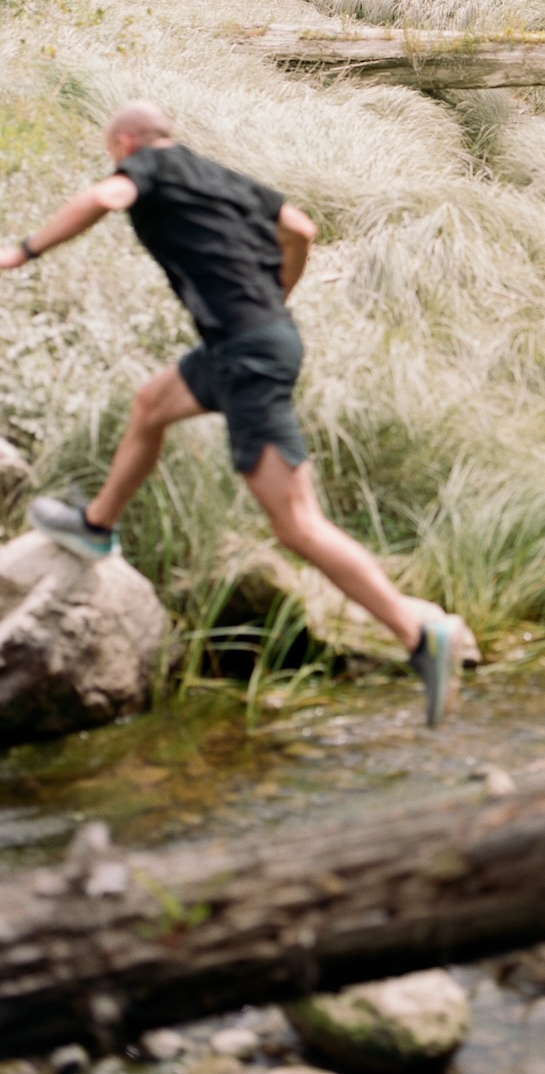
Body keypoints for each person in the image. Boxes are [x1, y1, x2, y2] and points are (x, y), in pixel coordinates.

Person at [0, 101, 460, 725]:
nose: (118, 165)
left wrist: (23, 251)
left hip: (247, 357)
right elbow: (300, 229)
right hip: (248, 342)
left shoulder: (147, 168)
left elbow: (105, 199)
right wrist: (276, 297)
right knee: (152, 404)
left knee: (297, 524)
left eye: (116, 155)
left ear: (128, 142)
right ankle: (96, 524)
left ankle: (415, 635)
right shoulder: (220, 174)